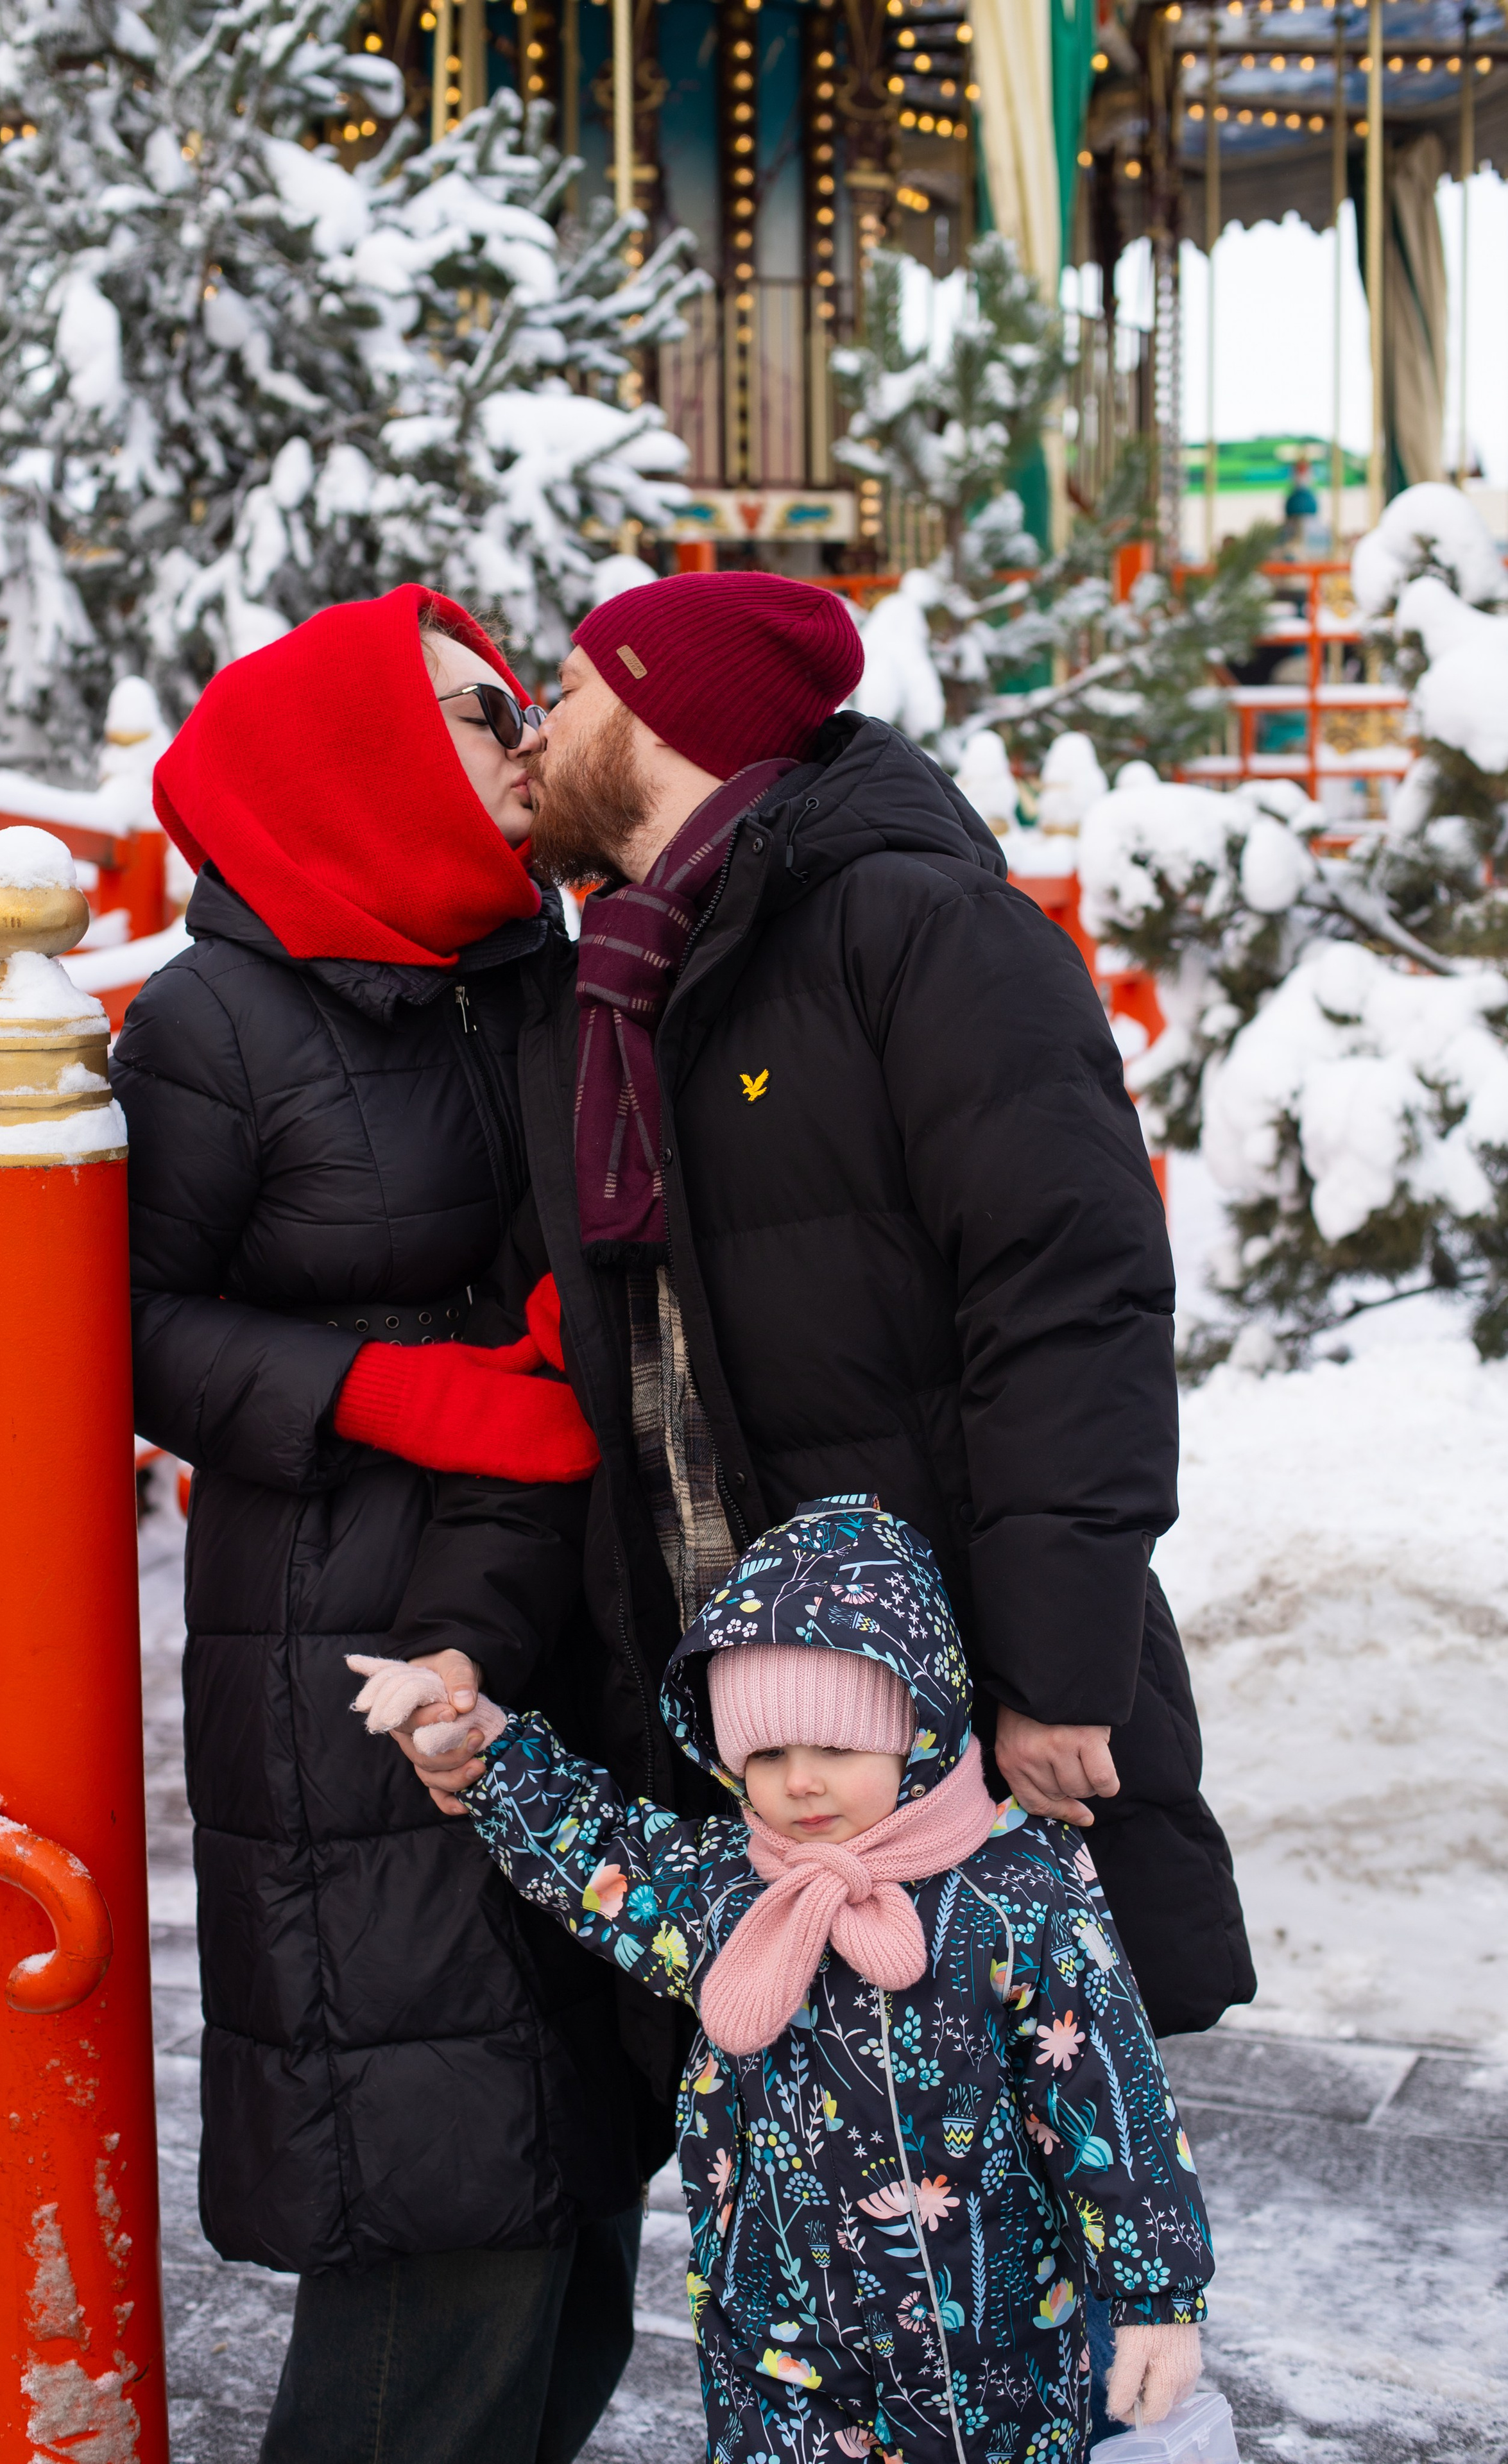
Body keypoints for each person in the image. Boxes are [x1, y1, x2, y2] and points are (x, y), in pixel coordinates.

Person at [397, 569, 1255, 2064]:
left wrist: (1056, 1671)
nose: (543, 728)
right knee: (817, 2179)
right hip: (767, 1729)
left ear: (666, 720)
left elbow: (1068, 1299)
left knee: (1032, 2163)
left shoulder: (918, 933)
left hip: (962, 1706)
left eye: (578, 692)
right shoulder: (617, 988)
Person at [116, 584, 654, 2464]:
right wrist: (390, 1390)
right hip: (339, 1630)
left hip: (552, 1591)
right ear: (352, 758)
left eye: (515, 701)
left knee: (574, 2180)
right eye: (463, 708)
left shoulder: (532, 963)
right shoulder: (216, 1022)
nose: (517, 736)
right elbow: (128, 1330)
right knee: (445, 2191)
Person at [377, 1496, 1212, 2463]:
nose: (801, 1782)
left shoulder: (1014, 1898)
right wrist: (481, 1747)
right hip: (775, 2348)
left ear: (917, 1731)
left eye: (836, 1749)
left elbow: (1111, 2100)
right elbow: (596, 1852)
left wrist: (1155, 2298)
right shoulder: (726, 1886)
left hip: (985, 2358)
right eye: (768, 1754)